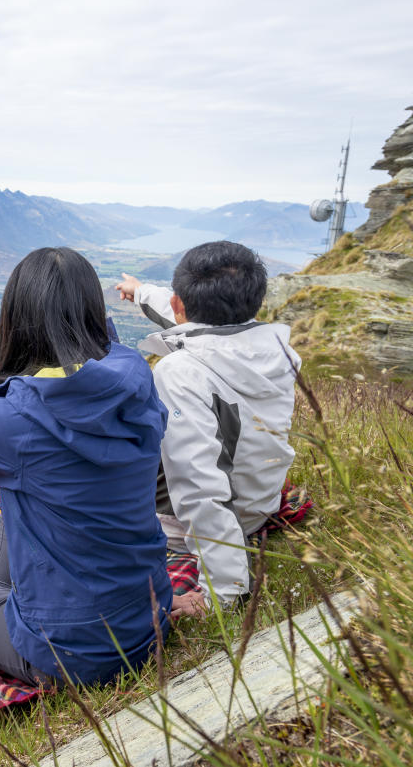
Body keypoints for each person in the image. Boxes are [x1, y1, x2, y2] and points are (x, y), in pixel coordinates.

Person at [0, 247, 190, 687]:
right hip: (147, 622)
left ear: (17, 319)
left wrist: (12, 368)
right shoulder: (134, 374)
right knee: (26, 490)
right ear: (92, 309)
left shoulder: (14, 418)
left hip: (69, 653)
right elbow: (108, 350)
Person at [115, 241, 299, 607]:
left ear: (179, 304)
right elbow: (196, 321)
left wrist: (226, 591)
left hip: (193, 524)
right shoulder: (272, 348)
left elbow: (198, 483)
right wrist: (140, 293)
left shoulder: (181, 373)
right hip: (259, 501)